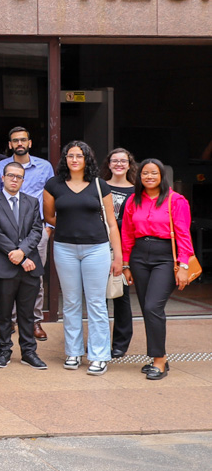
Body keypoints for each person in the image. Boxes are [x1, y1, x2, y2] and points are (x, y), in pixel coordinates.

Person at [43, 141, 122, 375]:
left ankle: (99, 356)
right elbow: (49, 216)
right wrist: (70, 225)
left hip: (96, 249)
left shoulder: (100, 185)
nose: (74, 160)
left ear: (87, 158)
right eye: (70, 156)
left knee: (96, 303)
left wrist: (118, 256)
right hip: (65, 248)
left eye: (79, 156)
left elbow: (111, 223)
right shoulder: (53, 185)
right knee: (71, 302)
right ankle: (73, 352)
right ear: (65, 159)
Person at [122, 158, 193, 381]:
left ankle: (159, 360)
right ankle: (158, 355)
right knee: (146, 308)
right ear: (139, 176)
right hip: (139, 256)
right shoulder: (133, 200)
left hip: (165, 257)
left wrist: (183, 266)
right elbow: (127, 233)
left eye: (153, 173)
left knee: (153, 306)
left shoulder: (176, 200)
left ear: (162, 176)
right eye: (145, 173)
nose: (149, 177)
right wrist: (126, 264)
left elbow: (183, 235)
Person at [0, 126, 55, 342]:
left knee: (34, 275)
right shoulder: (0, 167)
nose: (19, 143)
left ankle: (34, 320)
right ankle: (10, 320)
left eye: (23, 140)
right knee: (9, 276)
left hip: (36, 230)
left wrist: (49, 227)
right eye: (15, 141)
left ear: (30, 143)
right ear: (9, 144)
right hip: (8, 229)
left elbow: (51, 197)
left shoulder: (45, 167)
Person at [0, 162, 47, 370]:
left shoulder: (31, 202)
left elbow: (37, 230)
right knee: (3, 313)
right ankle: (4, 351)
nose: (14, 179)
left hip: (30, 265)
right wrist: (19, 257)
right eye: (10, 175)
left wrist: (23, 252)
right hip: (5, 265)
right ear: (3, 177)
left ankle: (29, 352)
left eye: (19, 177)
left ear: (23, 180)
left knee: (27, 313)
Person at [103, 148, 137, 358]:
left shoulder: (137, 190)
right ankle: (101, 341)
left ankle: (120, 344)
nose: (118, 164)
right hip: (98, 246)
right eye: (114, 161)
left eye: (123, 161)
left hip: (124, 249)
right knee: (99, 298)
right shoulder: (99, 186)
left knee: (121, 297)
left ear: (129, 164)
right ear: (108, 164)